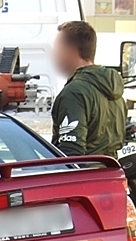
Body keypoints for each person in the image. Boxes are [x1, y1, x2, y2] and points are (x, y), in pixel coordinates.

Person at [50, 21, 127, 158]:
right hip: (111, 173)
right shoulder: (113, 89)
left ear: (71, 51)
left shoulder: (75, 92)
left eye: (57, 49)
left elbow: (71, 153)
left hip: (86, 175)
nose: (54, 55)